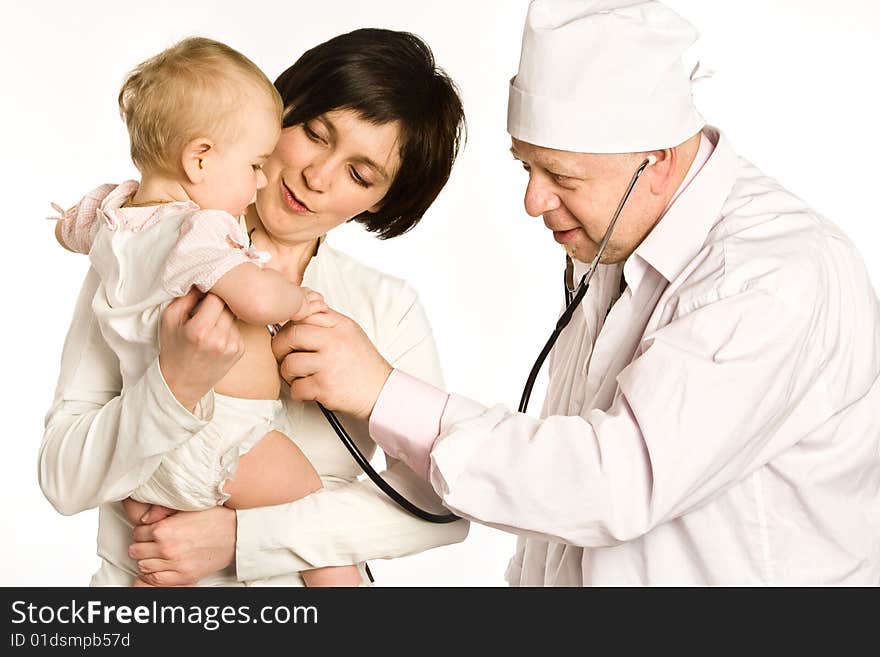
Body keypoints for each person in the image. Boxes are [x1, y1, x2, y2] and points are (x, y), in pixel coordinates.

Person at [266, 0, 880, 585]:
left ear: (656, 162)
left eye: (561, 177)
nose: (533, 202)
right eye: (526, 167)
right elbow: (559, 509)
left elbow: (612, 482)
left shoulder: (772, 276)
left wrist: (382, 394)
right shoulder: (619, 248)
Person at [40, 28, 469, 587]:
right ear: (280, 110)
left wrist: (244, 541)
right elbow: (61, 477)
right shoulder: (153, 250)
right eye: (315, 134)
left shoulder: (386, 309)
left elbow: (440, 509)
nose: (317, 177)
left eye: (360, 174)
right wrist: (173, 388)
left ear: (382, 199)